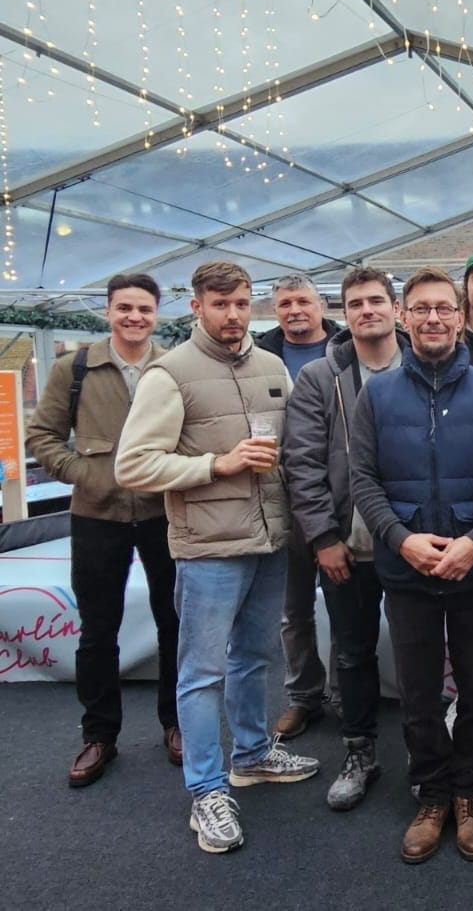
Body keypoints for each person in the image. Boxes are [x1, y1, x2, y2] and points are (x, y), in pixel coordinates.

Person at [115, 260, 319, 855]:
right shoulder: (170, 374)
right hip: (207, 548)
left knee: (253, 657)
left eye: (241, 304)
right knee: (201, 672)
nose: (233, 315)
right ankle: (206, 790)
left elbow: (293, 450)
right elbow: (133, 465)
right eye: (220, 304)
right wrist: (216, 464)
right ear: (197, 306)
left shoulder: (272, 367)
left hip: (270, 540)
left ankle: (251, 755)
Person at [348, 265, 473, 864]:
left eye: (444, 308)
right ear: (404, 316)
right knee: (419, 692)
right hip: (408, 571)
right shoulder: (377, 394)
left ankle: (469, 793)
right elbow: (363, 479)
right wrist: (401, 541)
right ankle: (432, 794)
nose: (433, 319)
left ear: (460, 317)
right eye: (421, 308)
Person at [28, 273, 180, 786]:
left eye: (144, 308)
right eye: (124, 308)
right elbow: (43, 437)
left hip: (164, 513)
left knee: (175, 622)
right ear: (108, 312)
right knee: (97, 629)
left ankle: (176, 723)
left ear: (156, 314)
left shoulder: (173, 367)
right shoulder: (74, 368)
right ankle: (99, 735)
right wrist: (87, 475)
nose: (134, 317)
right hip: (96, 514)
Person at [282, 266, 407, 812]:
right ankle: (359, 752)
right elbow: (302, 463)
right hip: (346, 547)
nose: (367, 310)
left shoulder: (423, 366)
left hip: (412, 543)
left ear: (395, 309)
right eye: (356, 303)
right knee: (352, 654)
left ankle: (426, 756)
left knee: (419, 652)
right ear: (344, 313)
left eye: (376, 300)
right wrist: (322, 536)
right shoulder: (319, 377)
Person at [257, 273, 343, 739]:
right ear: (276, 311)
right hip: (282, 500)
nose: (295, 310)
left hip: (341, 497)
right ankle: (303, 696)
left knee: (347, 604)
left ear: (320, 305)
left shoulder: (345, 350)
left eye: (303, 301)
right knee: (294, 610)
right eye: (285, 303)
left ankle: (347, 691)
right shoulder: (261, 357)